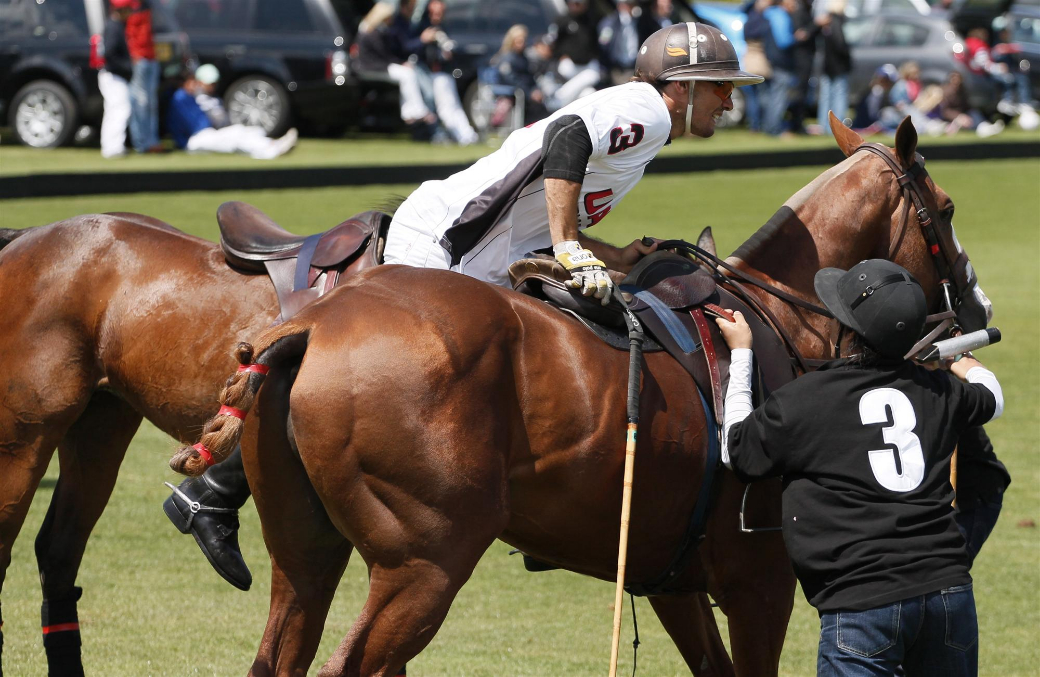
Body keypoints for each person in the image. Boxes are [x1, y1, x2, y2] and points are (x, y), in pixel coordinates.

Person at [163, 22, 764, 589]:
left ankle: (543, 516)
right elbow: (569, 139)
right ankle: (216, 490)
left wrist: (613, 254)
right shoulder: (648, 111)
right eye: (720, 89)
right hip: (446, 244)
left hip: (478, 250)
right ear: (682, 88)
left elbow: (546, 202)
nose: (729, 104)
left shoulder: (643, 120)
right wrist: (568, 248)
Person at [716, 259, 1003, 676]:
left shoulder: (804, 399)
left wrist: (742, 353)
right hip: (948, 594)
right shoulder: (937, 390)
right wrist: (959, 358)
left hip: (861, 605)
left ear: (846, 328)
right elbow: (992, 395)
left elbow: (736, 450)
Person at [166, 65, 298, 159]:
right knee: (235, 138)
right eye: (192, 81)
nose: (195, 85)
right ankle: (269, 152)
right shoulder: (180, 97)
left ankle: (272, 144)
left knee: (241, 131)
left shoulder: (192, 97)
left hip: (204, 134)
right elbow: (196, 125)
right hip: (194, 140)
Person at [413, 0, 478, 145]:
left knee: (450, 106)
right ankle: (444, 134)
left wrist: (446, 53)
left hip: (441, 74)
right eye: (433, 13)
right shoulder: (421, 28)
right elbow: (409, 48)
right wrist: (423, 40)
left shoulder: (443, 28)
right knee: (440, 107)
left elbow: (450, 52)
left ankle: (465, 135)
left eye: (440, 13)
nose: (436, 16)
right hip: (425, 74)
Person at [545, 0, 603, 109]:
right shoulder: (562, 20)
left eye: (579, 4)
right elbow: (553, 42)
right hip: (569, 65)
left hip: (587, 65)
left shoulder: (591, 20)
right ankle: (558, 100)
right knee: (586, 86)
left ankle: (559, 99)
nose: (575, 6)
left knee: (589, 91)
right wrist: (560, 55)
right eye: (573, 3)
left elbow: (597, 43)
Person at [488, 25, 547, 126]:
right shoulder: (507, 59)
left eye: (523, 40)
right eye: (519, 41)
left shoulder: (524, 58)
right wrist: (529, 93)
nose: (522, 44)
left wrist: (535, 89)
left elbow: (529, 77)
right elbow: (511, 79)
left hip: (526, 92)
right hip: (515, 93)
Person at [98, 0, 134, 158]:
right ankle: (113, 147)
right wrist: (128, 66)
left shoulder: (117, 25)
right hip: (113, 75)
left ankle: (112, 146)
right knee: (119, 110)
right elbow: (109, 54)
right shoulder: (114, 26)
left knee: (116, 110)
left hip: (114, 75)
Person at [125, 0, 161, 153]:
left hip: (150, 57)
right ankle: (141, 143)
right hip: (139, 59)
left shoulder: (149, 6)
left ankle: (151, 141)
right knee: (141, 102)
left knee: (150, 102)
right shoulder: (128, 5)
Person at [810, 0, 851, 133]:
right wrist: (847, 59)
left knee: (826, 96)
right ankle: (837, 126)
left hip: (827, 65)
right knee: (838, 95)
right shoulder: (837, 22)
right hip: (838, 66)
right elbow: (840, 45)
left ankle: (824, 124)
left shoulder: (826, 23)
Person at [598, 0, 642, 85]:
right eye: (629, 5)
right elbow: (603, 45)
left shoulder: (640, 22)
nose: (632, 7)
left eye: (633, 4)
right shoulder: (610, 23)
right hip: (617, 70)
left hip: (634, 68)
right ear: (620, 5)